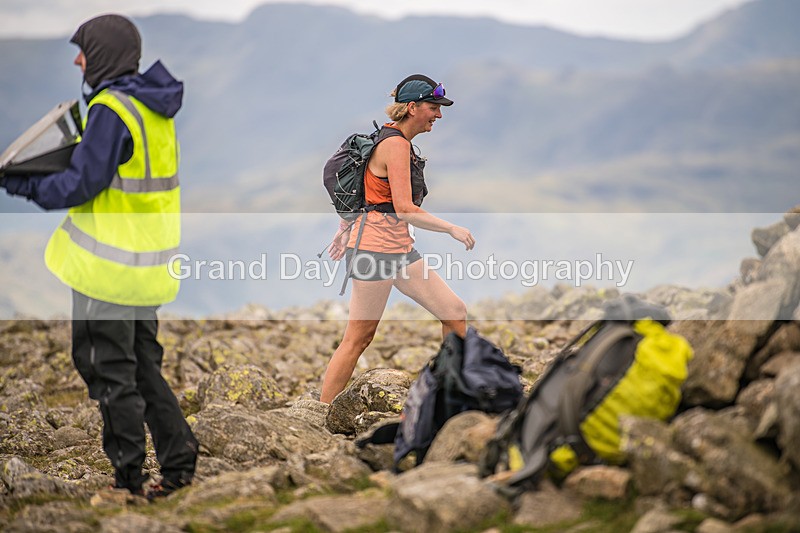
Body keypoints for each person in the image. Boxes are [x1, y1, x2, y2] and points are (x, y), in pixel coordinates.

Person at [0, 14, 197, 499]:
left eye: (83, 50)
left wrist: (19, 182)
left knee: (108, 370)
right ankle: (178, 465)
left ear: (103, 54)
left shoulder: (111, 109)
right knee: (143, 367)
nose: (77, 59)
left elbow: (80, 184)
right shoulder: (154, 108)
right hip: (147, 268)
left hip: (106, 271)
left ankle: (127, 482)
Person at [320, 74, 475, 403]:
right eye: (434, 107)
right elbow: (404, 209)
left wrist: (343, 227)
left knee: (454, 312)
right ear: (412, 107)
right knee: (358, 338)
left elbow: (370, 196)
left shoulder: (390, 140)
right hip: (375, 253)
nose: (439, 114)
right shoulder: (395, 145)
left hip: (399, 250)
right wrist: (451, 229)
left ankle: (451, 393)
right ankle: (320, 413)